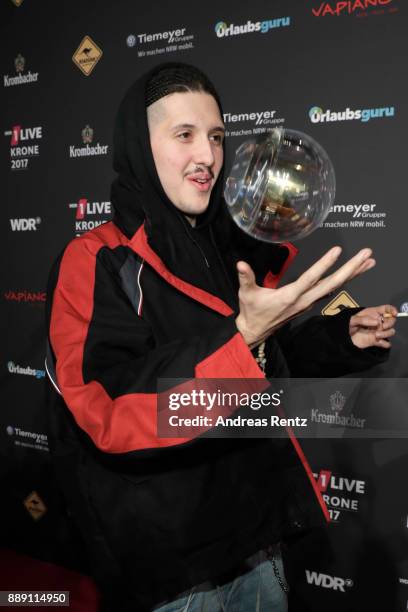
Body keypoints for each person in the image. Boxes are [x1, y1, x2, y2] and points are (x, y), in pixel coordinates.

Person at [45, 62, 397, 611]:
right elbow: (109, 411)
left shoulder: (227, 251)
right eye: (183, 135)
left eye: (214, 137)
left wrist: (339, 337)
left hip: (256, 544)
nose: (207, 156)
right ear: (140, 144)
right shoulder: (97, 259)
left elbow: (259, 362)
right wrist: (242, 339)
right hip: (177, 574)